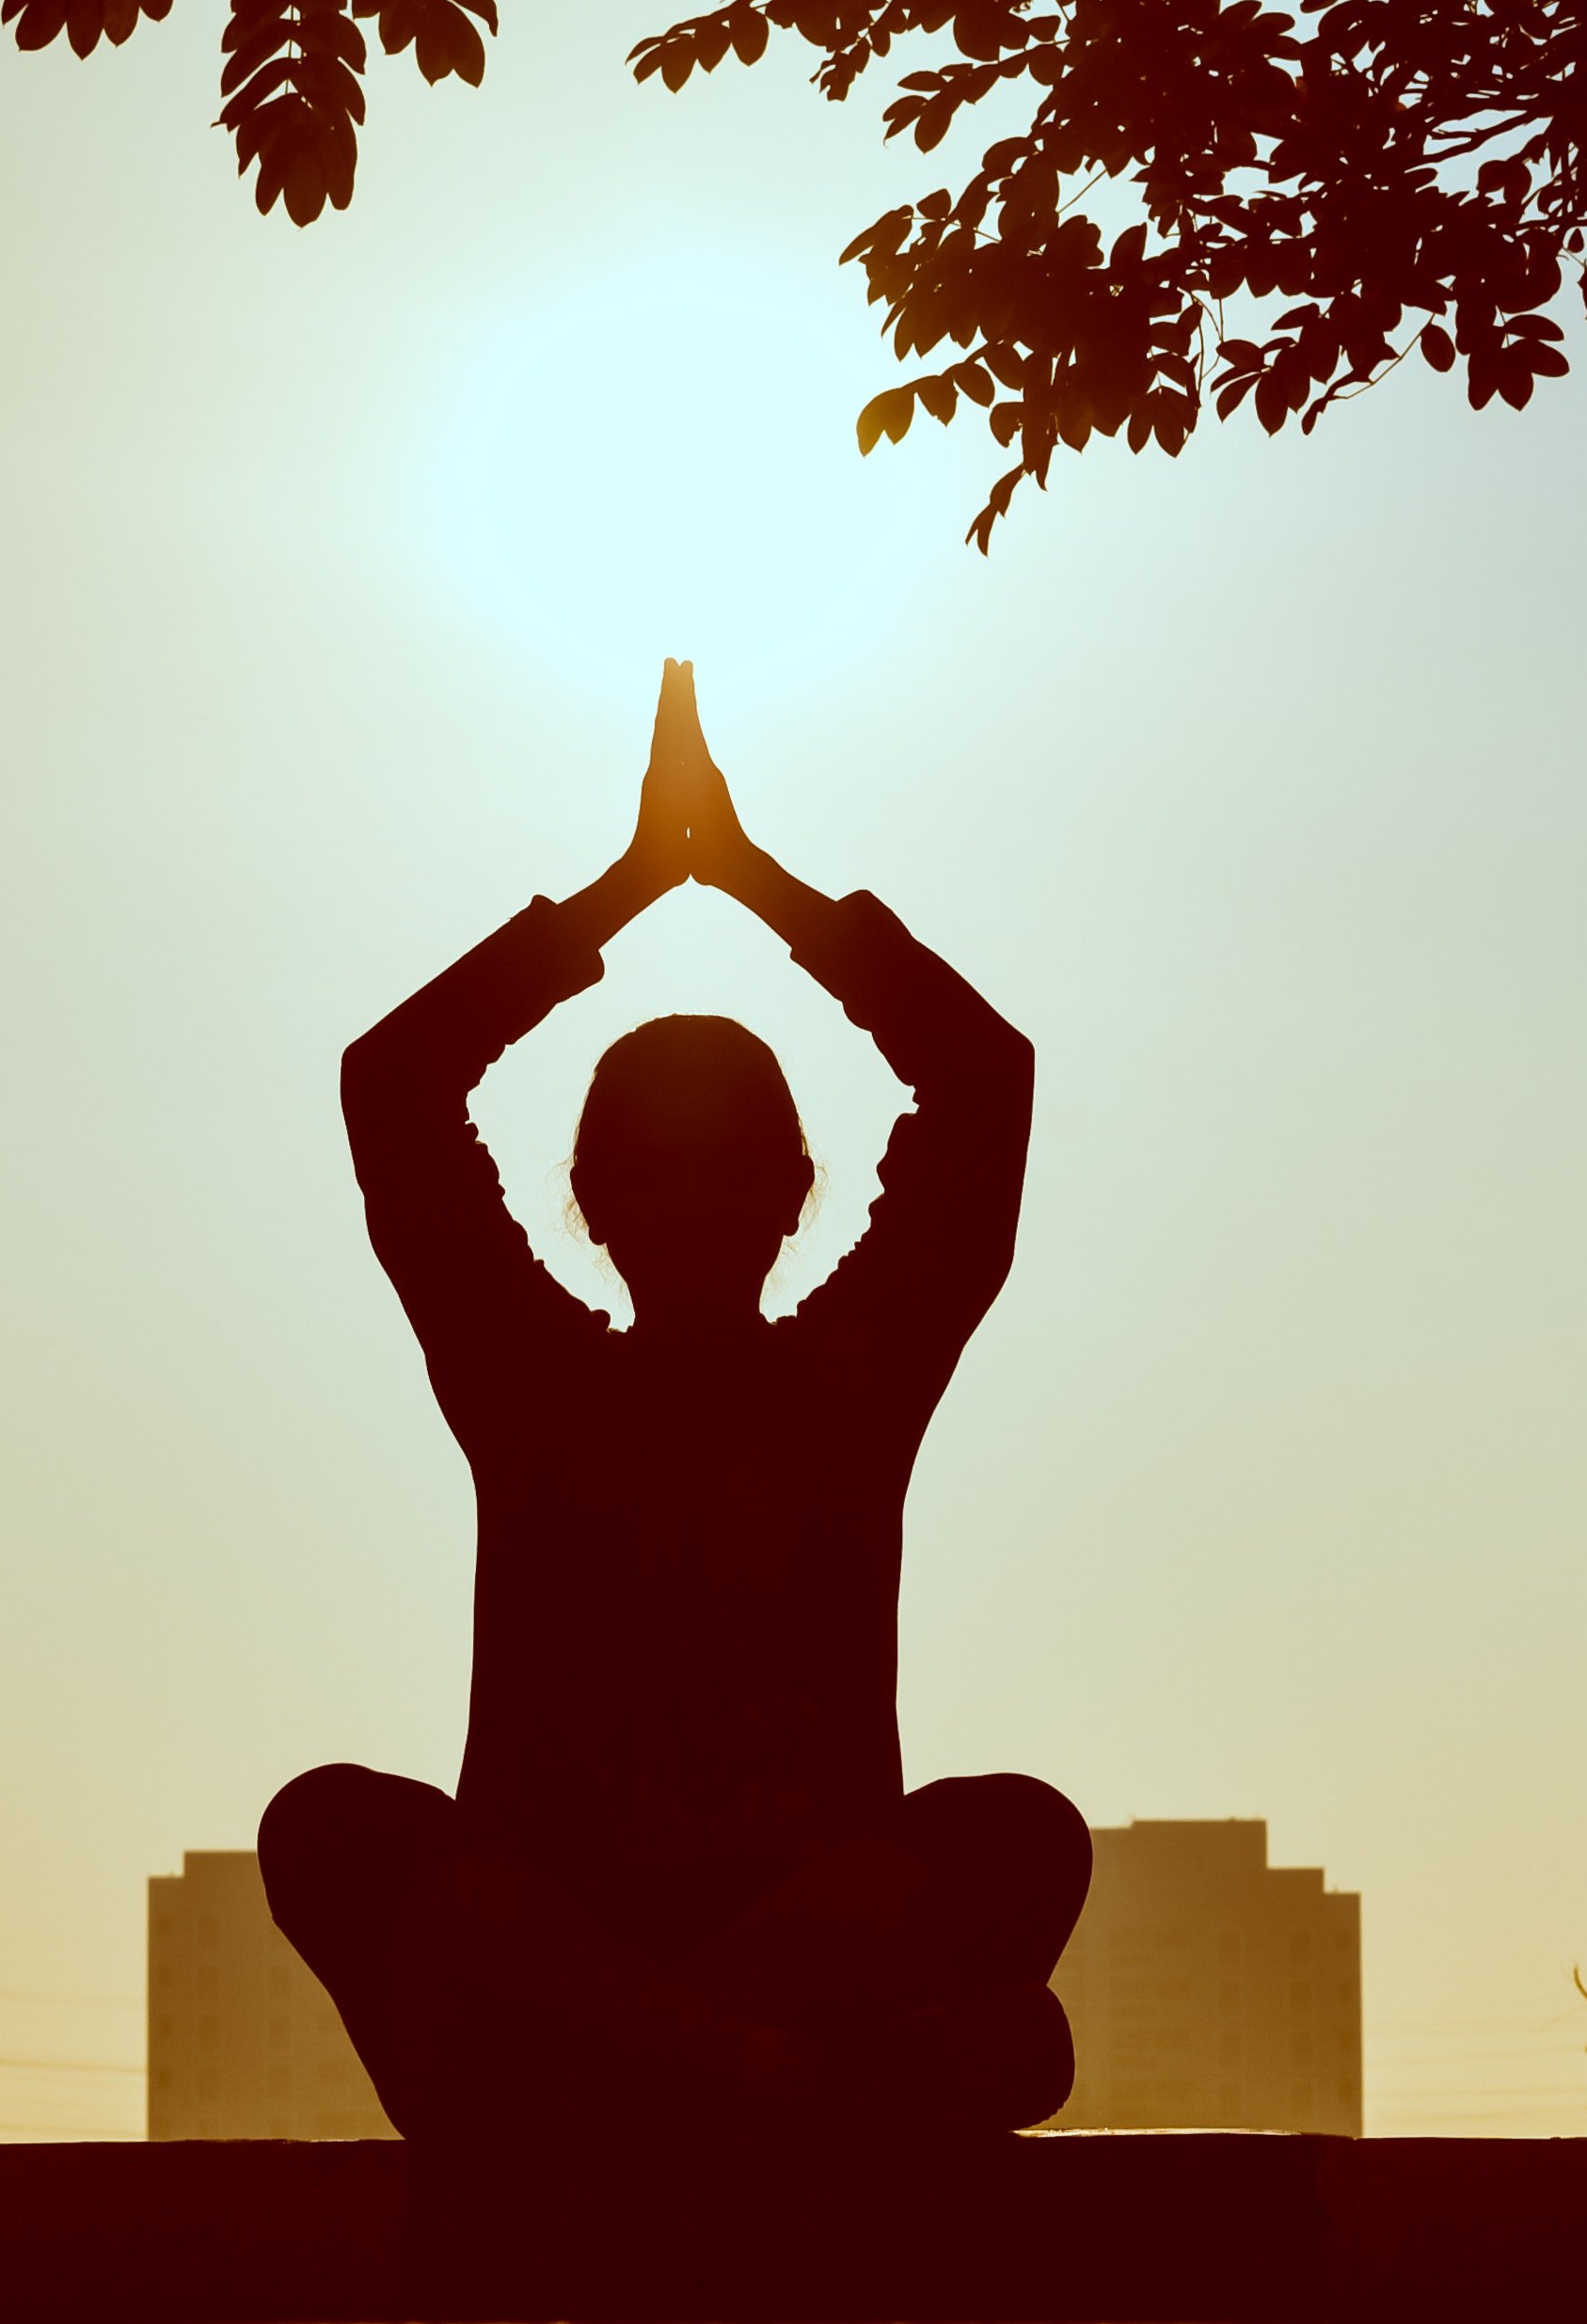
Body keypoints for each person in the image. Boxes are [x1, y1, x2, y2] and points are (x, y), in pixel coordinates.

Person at [262, 663, 1091, 2140]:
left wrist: (752, 881)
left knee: (1027, 1835)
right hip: (591, 1967)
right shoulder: (532, 1379)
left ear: (791, 1194)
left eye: (730, 1166)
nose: (697, 1201)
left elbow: (985, 1078)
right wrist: (634, 888)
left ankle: (633, 2075)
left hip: (697, 1991)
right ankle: (723, 2071)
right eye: (660, 1165)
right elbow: (391, 1087)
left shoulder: (851, 1381)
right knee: (323, 1826)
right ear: (589, 1199)